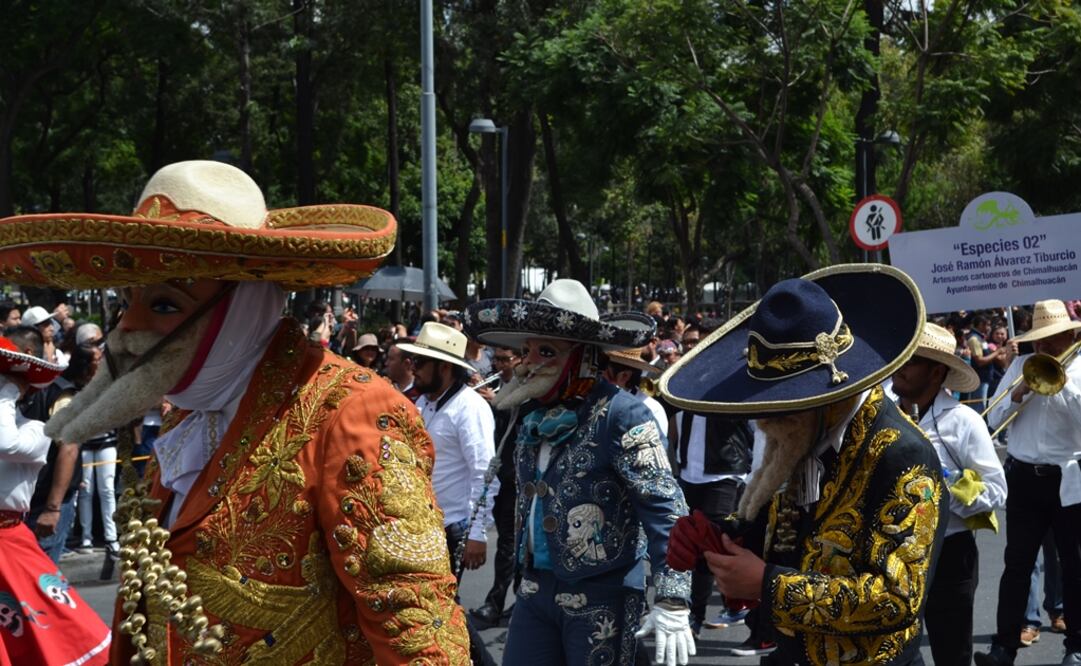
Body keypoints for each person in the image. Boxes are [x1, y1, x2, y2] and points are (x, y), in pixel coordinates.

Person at [0, 160, 469, 663]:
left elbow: (419, 631)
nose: (127, 329)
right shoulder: (189, 415)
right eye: (129, 301)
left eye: (163, 305)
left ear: (241, 304)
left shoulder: (352, 411)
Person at [662, 264, 948, 666]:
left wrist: (767, 584)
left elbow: (896, 598)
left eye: (785, 402)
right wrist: (723, 537)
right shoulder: (800, 434)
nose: (767, 419)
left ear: (832, 391)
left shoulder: (901, 454)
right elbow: (786, 533)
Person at [464, 279, 694, 666]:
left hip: (602, 592)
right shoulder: (531, 413)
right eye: (526, 350)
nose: (529, 361)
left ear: (583, 356)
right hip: (535, 589)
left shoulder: (622, 413)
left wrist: (672, 597)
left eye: (546, 350)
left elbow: (666, 508)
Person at [889, 322, 1007, 665]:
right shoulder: (881, 417)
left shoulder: (964, 421)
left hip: (949, 553)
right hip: (893, 553)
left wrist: (942, 492)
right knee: (893, 651)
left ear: (936, 371)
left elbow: (997, 490)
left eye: (911, 362)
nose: (901, 369)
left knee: (952, 652)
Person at [976, 299, 1081, 666]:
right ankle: (1004, 647)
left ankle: (1076, 647)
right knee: (1017, 564)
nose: (1044, 348)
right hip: (1024, 478)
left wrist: (1061, 385)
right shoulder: (1021, 366)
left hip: (1069, 480)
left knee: (1075, 564)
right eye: (1039, 341)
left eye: (1052, 340)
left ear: (1069, 335)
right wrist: (1019, 392)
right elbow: (994, 418)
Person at [0, 335, 112, 665]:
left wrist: (6, 389)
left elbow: (5, 443)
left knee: (47, 635)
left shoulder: (34, 428)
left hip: (9, 545)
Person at [400, 322, 496, 578]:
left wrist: (477, 533)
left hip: (451, 528)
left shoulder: (470, 408)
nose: (413, 369)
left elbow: (484, 473)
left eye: (420, 362)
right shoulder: (423, 402)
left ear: (444, 367)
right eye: (412, 360)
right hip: (420, 523)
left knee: (442, 607)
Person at [471, 346, 522, 627]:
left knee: (510, 544)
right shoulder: (492, 385)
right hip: (495, 475)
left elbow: (523, 421)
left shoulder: (524, 390)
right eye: (497, 360)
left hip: (515, 477)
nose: (500, 365)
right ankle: (508, 601)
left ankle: (499, 602)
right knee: (506, 540)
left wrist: (497, 402)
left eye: (506, 359)